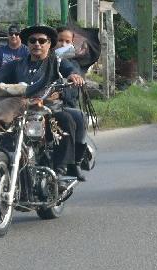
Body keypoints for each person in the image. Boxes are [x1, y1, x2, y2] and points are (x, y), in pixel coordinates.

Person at [0, 25, 85, 179]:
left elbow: (70, 70)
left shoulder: (57, 62)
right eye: (33, 40)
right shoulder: (16, 64)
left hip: (48, 110)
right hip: (20, 111)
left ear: (49, 44)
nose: (37, 44)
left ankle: (61, 170)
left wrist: (74, 76)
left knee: (65, 120)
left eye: (42, 41)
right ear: (27, 44)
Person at [56, 27, 87, 181]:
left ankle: (74, 162)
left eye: (67, 41)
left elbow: (74, 82)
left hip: (64, 105)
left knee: (78, 117)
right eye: (60, 40)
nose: (63, 44)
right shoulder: (46, 59)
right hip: (39, 104)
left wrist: (62, 91)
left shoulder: (72, 64)